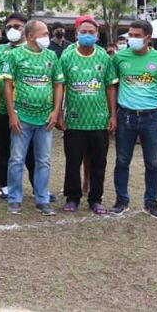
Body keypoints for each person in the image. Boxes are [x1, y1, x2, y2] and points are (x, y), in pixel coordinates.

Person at [111, 20, 157, 219]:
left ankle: (151, 203)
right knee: (122, 161)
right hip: (126, 116)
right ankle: (121, 200)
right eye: (130, 34)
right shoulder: (119, 57)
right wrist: (113, 114)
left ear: (148, 37)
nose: (132, 39)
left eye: (137, 35)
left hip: (151, 117)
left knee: (152, 163)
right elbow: (112, 86)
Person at [1, 19, 64, 216]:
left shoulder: (52, 56)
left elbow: (58, 84)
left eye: (47, 33)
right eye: (43, 33)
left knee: (44, 160)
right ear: (30, 36)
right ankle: (14, 198)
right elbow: (8, 86)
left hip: (45, 119)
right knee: (16, 159)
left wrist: (55, 111)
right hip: (22, 117)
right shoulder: (15, 56)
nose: (48, 37)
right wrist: (12, 115)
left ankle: (42, 199)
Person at [57, 16, 117, 215]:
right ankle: (72, 197)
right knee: (73, 162)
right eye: (84, 32)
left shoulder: (104, 57)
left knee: (99, 162)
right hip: (74, 120)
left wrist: (112, 115)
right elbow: (60, 87)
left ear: (97, 35)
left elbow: (109, 87)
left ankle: (95, 199)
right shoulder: (66, 57)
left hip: (99, 121)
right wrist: (59, 114)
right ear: (76, 34)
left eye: (91, 32)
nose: (87, 35)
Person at [0, 13, 37, 200]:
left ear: (26, 29)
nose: (12, 30)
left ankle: (38, 186)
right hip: (3, 110)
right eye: (9, 26)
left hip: (30, 112)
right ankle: (4, 185)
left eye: (17, 26)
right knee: (5, 149)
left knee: (32, 152)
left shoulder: (35, 51)